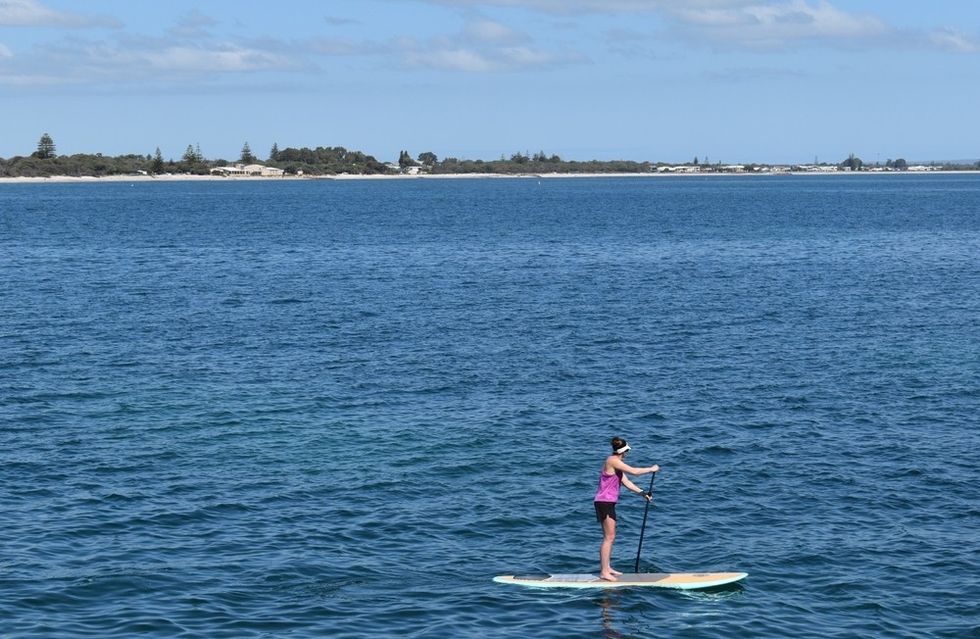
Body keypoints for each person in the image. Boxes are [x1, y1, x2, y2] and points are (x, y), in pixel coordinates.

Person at [594, 437, 659, 581]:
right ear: (624, 451)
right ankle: (604, 572)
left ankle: (608, 567)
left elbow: (627, 482)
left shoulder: (617, 465)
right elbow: (634, 472)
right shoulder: (612, 461)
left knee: (611, 537)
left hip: (608, 503)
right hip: (603, 502)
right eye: (627, 452)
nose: (627, 454)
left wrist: (643, 493)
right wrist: (651, 469)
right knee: (608, 538)